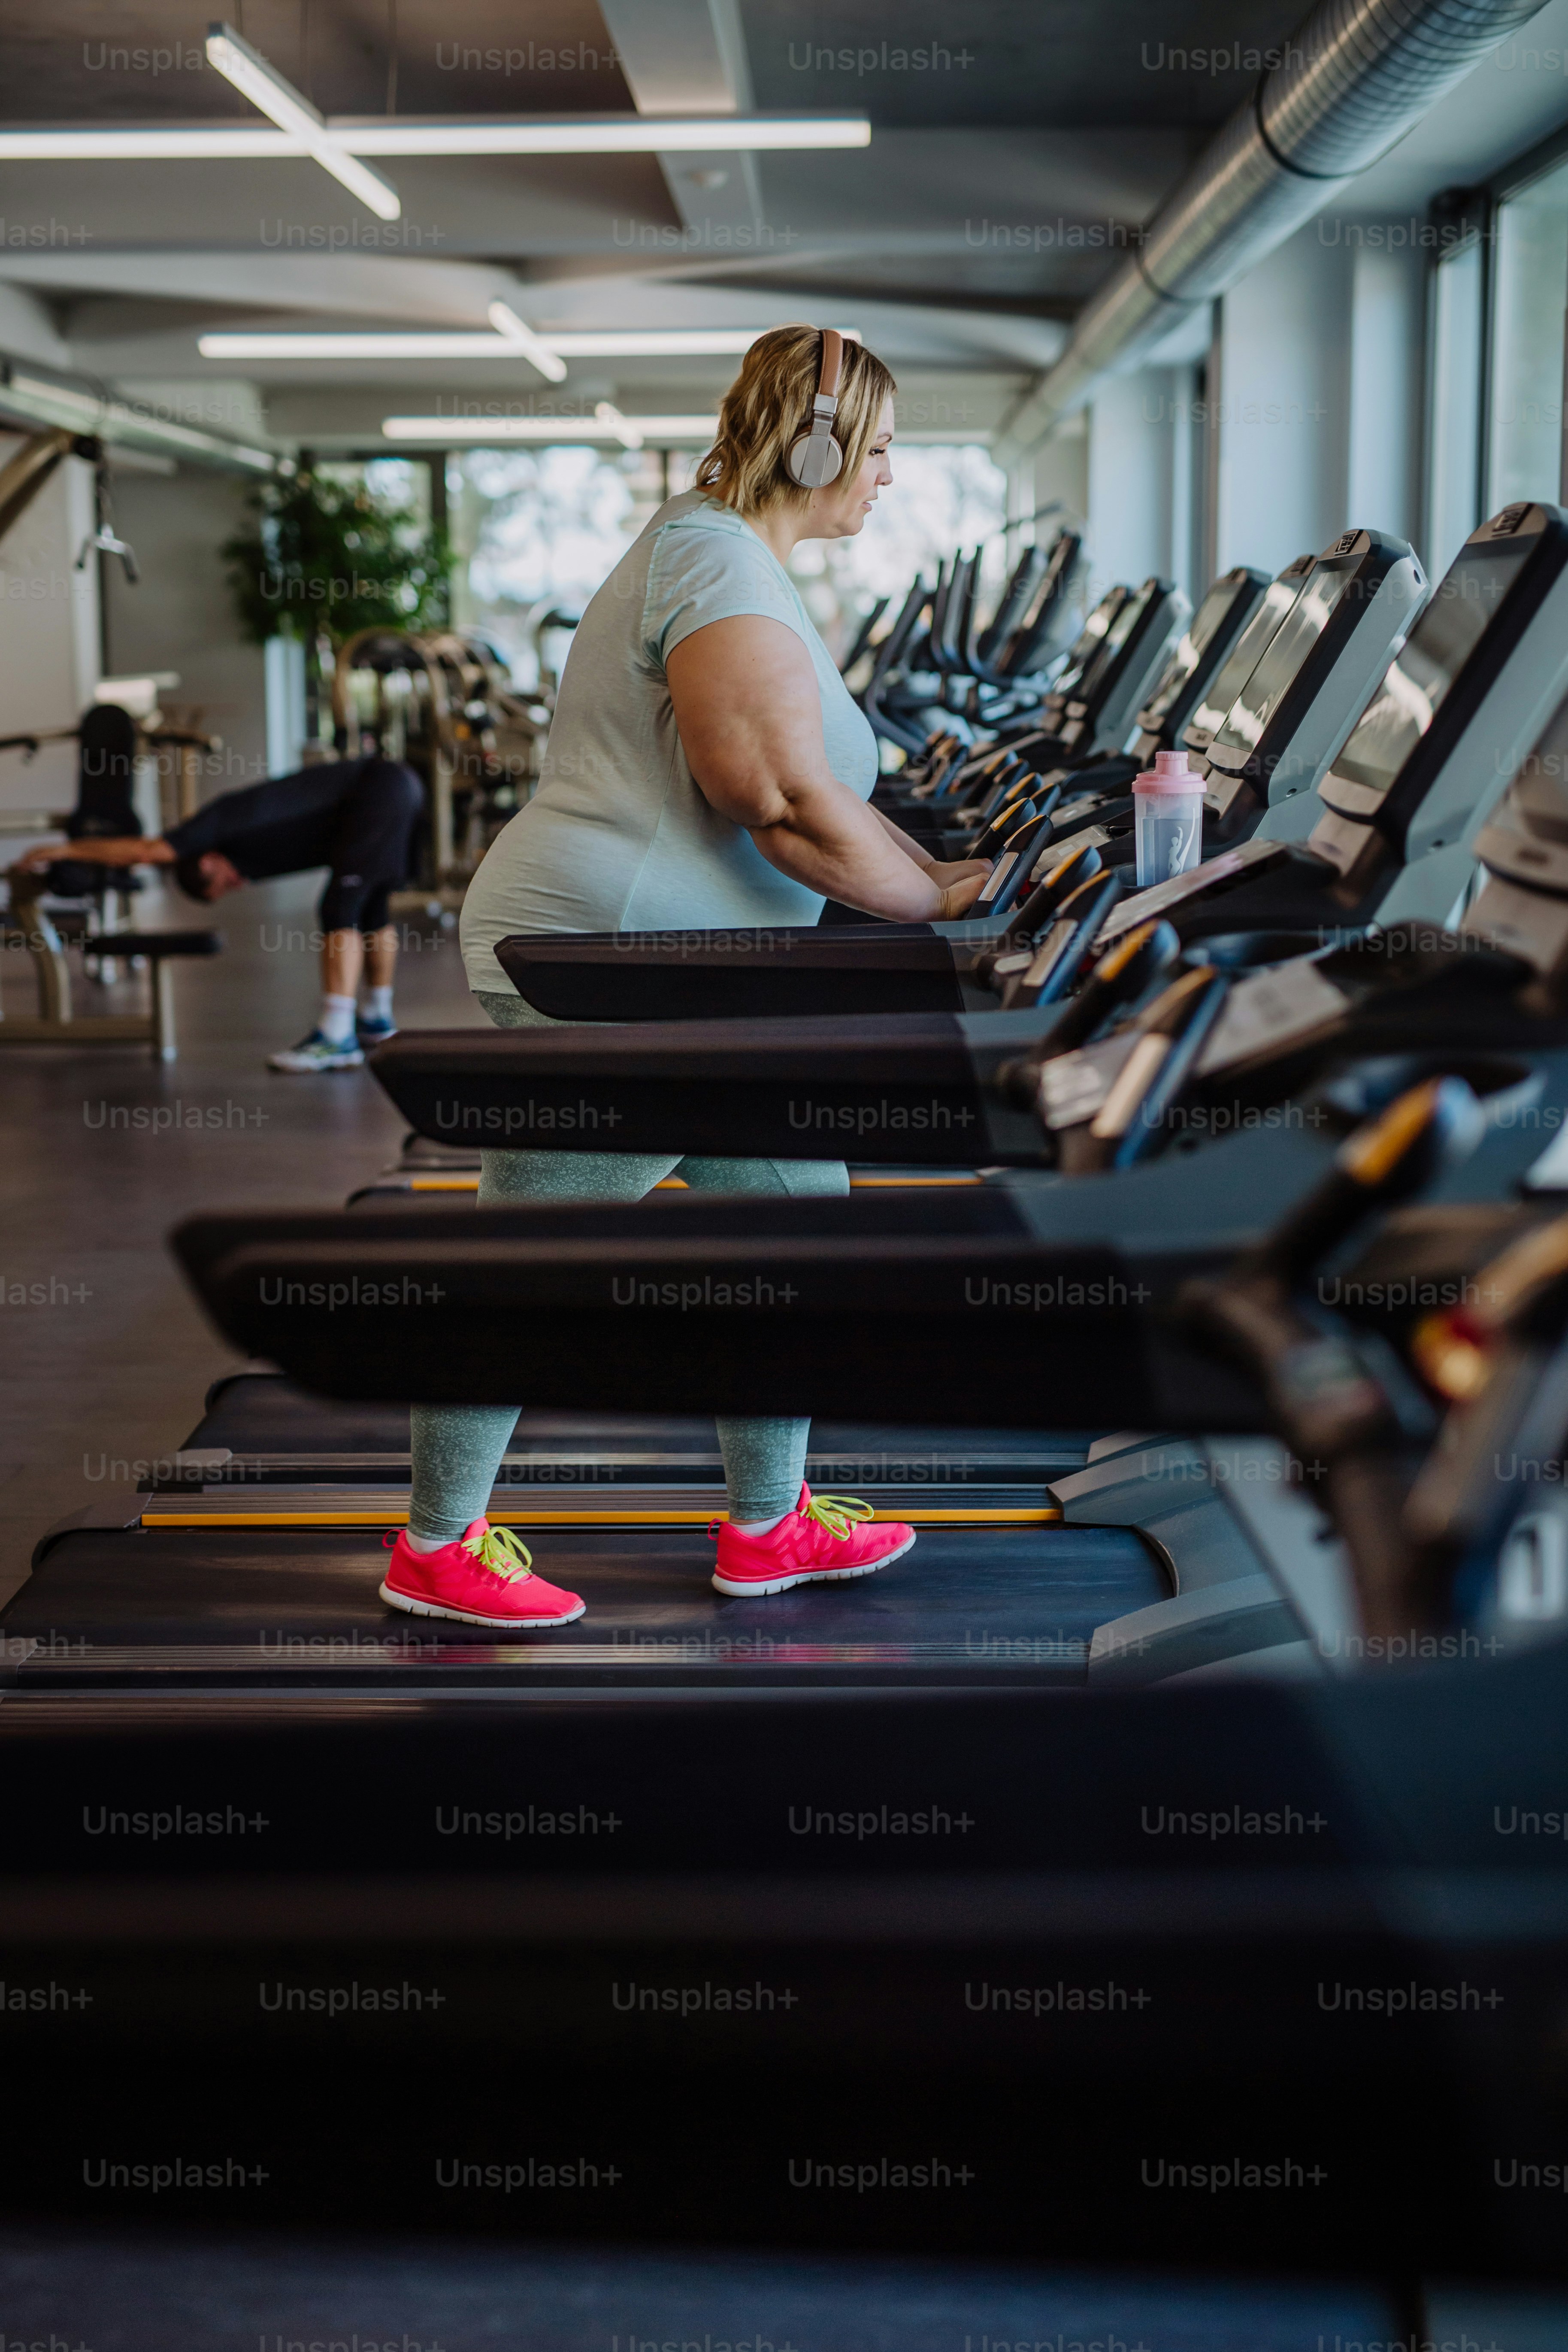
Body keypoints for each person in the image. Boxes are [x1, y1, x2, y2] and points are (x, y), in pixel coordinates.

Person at [377, 323, 990, 1633]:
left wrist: (949, 884)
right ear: (815, 440)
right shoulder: (715, 560)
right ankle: (434, 1545)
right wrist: (940, 914)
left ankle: (769, 1526)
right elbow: (770, 798)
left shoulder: (734, 555)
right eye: (876, 449)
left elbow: (823, 792)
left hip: (689, 970)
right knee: (537, 1254)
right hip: (612, 967)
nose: (886, 475)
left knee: (793, 1227)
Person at [10, 753, 424, 1072]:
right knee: (371, 907)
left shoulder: (207, 828)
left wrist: (64, 849)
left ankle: (336, 1037)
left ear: (207, 863)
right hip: (397, 785)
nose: (237, 885)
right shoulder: (248, 855)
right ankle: (374, 1019)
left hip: (380, 788)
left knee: (339, 906)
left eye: (222, 884)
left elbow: (145, 851)